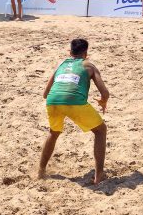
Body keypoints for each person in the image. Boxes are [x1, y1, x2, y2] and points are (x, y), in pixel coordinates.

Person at [38, 39, 109, 185]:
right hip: (74, 101)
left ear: (70, 53)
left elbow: (45, 94)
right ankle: (99, 176)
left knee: (53, 132)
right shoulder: (89, 65)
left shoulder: (61, 64)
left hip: (53, 101)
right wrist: (103, 102)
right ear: (86, 54)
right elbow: (105, 92)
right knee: (101, 131)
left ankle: (41, 171)